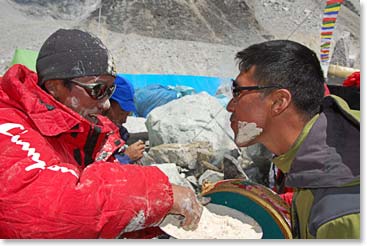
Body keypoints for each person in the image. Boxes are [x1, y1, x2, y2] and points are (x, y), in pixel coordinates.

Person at [0, 28, 202, 239]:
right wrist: (158, 194)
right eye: (98, 89)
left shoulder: (80, 133)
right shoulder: (8, 123)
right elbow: (49, 209)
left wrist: (155, 223)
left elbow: (104, 210)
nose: (106, 104)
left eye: (110, 90)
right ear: (55, 87)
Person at [226, 40, 359, 239]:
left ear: (279, 102)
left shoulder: (339, 214)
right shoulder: (315, 164)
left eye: (238, 92)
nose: (230, 105)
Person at [105, 75, 145, 164]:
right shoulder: (89, 134)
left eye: (128, 114)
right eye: (122, 112)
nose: (124, 120)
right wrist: (125, 158)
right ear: (107, 103)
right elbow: (93, 169)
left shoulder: (120, 133)